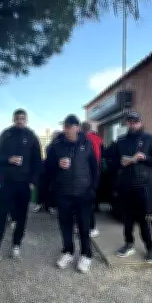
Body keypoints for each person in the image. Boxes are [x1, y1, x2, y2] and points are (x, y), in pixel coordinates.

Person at [0, 108, 42, 265]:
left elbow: (38, 161)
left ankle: (16, 245)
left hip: (24, 185)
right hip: (7, 183)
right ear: (13, 119)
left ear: (26, 120)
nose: (20, 121)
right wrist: (8, 159)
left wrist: (33, 182)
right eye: (17, 118)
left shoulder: (31, 136)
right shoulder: (6, 134)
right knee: (1, 216)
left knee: (22, 217)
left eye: (23, 118)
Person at [43, 115, 99, 273]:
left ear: (77, 128)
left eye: (69, 127)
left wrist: (92, 188)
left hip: (84, 193)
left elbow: (94, 168)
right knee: (65, 225)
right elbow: (47, 167)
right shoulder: (56, 145)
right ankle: (67, 251)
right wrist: (56, 164)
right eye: (65, 126)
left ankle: (86, 255)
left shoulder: (87, 144)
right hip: (63, 192)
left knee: (84, 225)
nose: (66, 129)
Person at [108, 111, 152, 263]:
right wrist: (120, 162)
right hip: (125, 185)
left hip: (143, 185)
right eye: (130, 122)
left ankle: (150, 248)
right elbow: (111, 162)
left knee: (144, 219)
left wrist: (145, 158)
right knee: (127, 218)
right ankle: (129, 244)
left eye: (135, 121)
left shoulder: (149, 138)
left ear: (140, 122)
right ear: (127, 123)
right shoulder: (120, 140)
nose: (132, 124)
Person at [81, 121, 103, 238]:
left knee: (87, 203)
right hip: (96, 172)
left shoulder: (86, 140)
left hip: (88, 174)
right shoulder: (97, 139)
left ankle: (92, 227)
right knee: (90, 201)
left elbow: (90, 158)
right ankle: (89, 227)